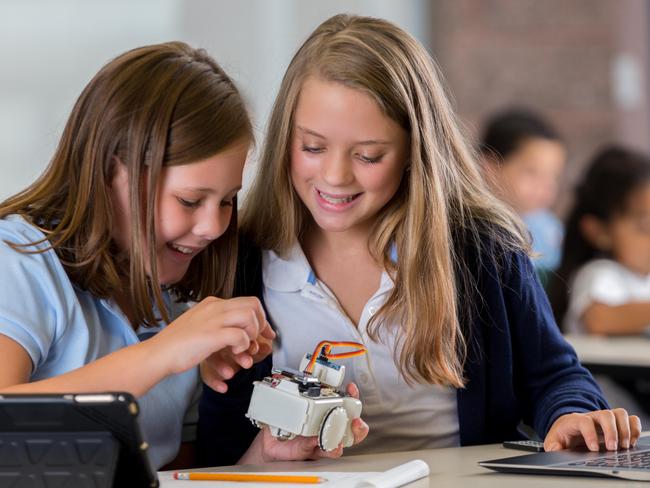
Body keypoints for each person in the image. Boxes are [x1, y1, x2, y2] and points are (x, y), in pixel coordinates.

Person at [197, 14, 640, 465]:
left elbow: (555, 377)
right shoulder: (245, 259)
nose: (333, 176)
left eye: (369, 155)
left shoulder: (481, 250)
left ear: (415, 151)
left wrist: (570, 416)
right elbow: (220, 448)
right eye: (312, 147)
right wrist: (264, 451)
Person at [0, 42, 364, 470]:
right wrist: (166, 353)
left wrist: (265, 458)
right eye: (190, 201)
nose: (214, 226)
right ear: (111, 173)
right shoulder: (20, 261)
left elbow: (179, 478)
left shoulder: (175, 302)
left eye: (228, 200)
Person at [548, 146, 650, 422]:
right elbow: (599, 319)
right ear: (599, 230)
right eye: (644, 227)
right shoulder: (600, 273)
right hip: (609, 404)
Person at [480, 109, 567, 284]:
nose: (546, 186)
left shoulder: (550, 229)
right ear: (490, 166)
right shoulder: (477, 230)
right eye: (532, 172)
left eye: (554, 176)